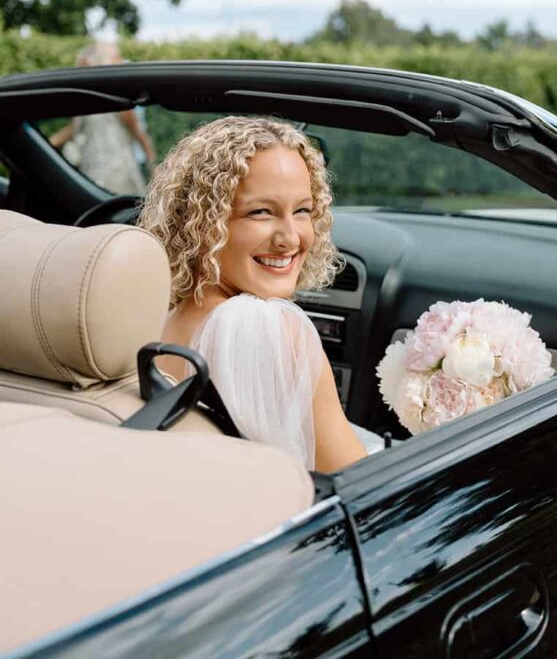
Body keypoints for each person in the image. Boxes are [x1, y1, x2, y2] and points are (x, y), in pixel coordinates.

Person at [138, 116, 369, 472]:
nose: (290, 239)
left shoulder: (159, 317)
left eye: (303, 211)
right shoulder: (274, 328)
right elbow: (356, 482)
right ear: (204, 223)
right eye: (261, 212)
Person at [50, 42, 155, 195]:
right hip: (90, 170)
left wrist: (152, 164)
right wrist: (51, 142)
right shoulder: (83, 97)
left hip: (118, 173)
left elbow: (137, 132)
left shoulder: (118, 98)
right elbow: (76, 127)